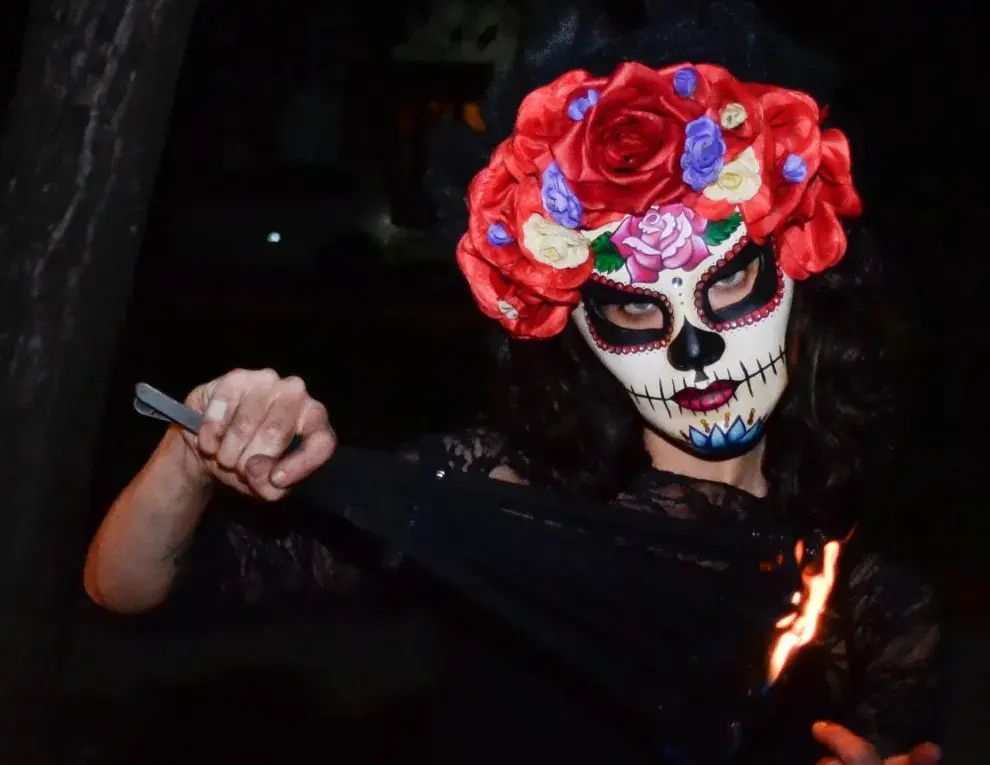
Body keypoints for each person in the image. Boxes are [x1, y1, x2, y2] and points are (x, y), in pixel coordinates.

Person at [85, 1, 942, 763]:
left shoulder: (866, 605)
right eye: (635, 312)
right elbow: (124, 584)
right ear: (568, 323)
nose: (695, 350)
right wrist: (193, 453)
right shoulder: (498, 503)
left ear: (801, 269)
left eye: (732, 283)